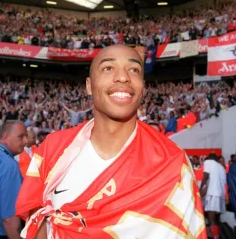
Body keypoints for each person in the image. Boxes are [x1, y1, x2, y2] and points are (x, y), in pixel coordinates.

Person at [16, 45, 206, 239]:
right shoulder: (53, 149)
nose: (123, 77)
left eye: (134, 70)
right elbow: (38, 223)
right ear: (89, 86)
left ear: (143, 87)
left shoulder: (172, 162)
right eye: (108, 68)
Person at [200, 153, 226, 239]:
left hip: (212, 193)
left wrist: (200, 188)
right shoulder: (221, 167)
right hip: (220, 195)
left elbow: (206, 176)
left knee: (211, 217)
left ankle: (215, 237)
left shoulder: (208, 162)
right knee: (216, 218)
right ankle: (216, 235)